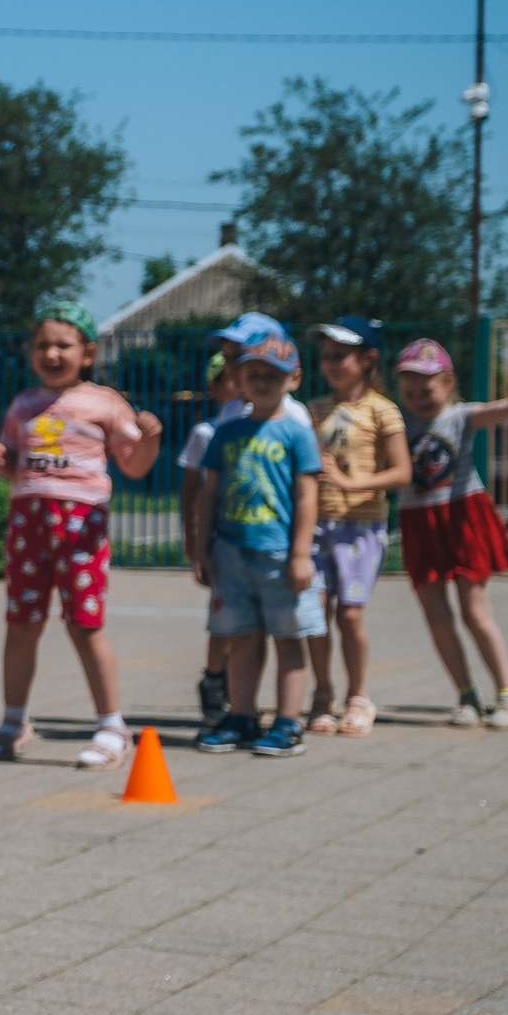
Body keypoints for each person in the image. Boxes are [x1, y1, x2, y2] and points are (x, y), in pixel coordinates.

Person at [0, 301, 163, 767]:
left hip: (81, 526)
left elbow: (134, 466)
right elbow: (17, 467)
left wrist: (150, 439)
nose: (52, 353)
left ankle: (111, 726)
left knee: (85, 622)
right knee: (21, 622)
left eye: (64, 344)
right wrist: (0, 463)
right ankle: (14, 720)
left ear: (88, 353)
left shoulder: (104, 402)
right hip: (28, 521)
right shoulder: (22, 405)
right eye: (42, 345)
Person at [394, 337, 508, 729]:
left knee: (474, 612)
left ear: (447, 382)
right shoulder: (397, 423)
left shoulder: (462, 416)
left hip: (462, 515)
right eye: (409, 392)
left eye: (426, 390)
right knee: (436, 616)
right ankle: (466, 696)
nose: (418, 399)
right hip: (418, 521)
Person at [192, 324, 326, 757]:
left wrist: (301, 553)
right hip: (231, 554)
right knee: (241, 639)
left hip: (281, 556)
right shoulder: (225, 434)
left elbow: (308, 495)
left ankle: (288, 722)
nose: (263, 381)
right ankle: (243, 716)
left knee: (289, 639)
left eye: (274, 373)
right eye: (254, 373)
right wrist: (202, 547)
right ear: (239, 379)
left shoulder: (297, 433)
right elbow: (208, 493)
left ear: (295, 378)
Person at [303, 318, 410, 735]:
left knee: (349, 615)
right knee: (315, 613)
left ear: (368, 359)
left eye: (340, 356)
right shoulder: (313, 410)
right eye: (326, 356)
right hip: (316, 525)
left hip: (360, 528)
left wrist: (352, 483)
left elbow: (402, 472)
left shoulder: (383, 410)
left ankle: (359, 696)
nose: (330, 363)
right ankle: (322, 695)